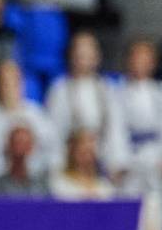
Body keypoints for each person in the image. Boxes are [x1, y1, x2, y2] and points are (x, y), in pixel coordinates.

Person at [110, 38, 162, 203]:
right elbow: (115, 129)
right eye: (136, 57)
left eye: (145, 58)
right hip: (131, 158)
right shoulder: (119, 94)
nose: (140, 63)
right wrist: (119, 161)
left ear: (153, 63)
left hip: (157, 158)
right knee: (129, 201)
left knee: (158, 204)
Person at [44, 32, 124, 174]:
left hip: (101, 158)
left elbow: (115, 129)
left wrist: (116, 162)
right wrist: (57, 165)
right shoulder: (59, 89)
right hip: (69, 159)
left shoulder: (108, 88)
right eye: (79, 53)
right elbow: (54, 132)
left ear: (97, 56)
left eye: (88, 52)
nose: (83, 57)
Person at [50, 128, 117, 201]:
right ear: (72, 152)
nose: (87, 159)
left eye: (90, 153)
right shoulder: (59, 183)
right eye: (83, 153)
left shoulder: (104, 186)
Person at [0, 124, 47, 197]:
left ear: (31, 147)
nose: (21, 150)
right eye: (17, 144)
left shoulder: (41, 186)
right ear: (9, 147)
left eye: (25, 144)